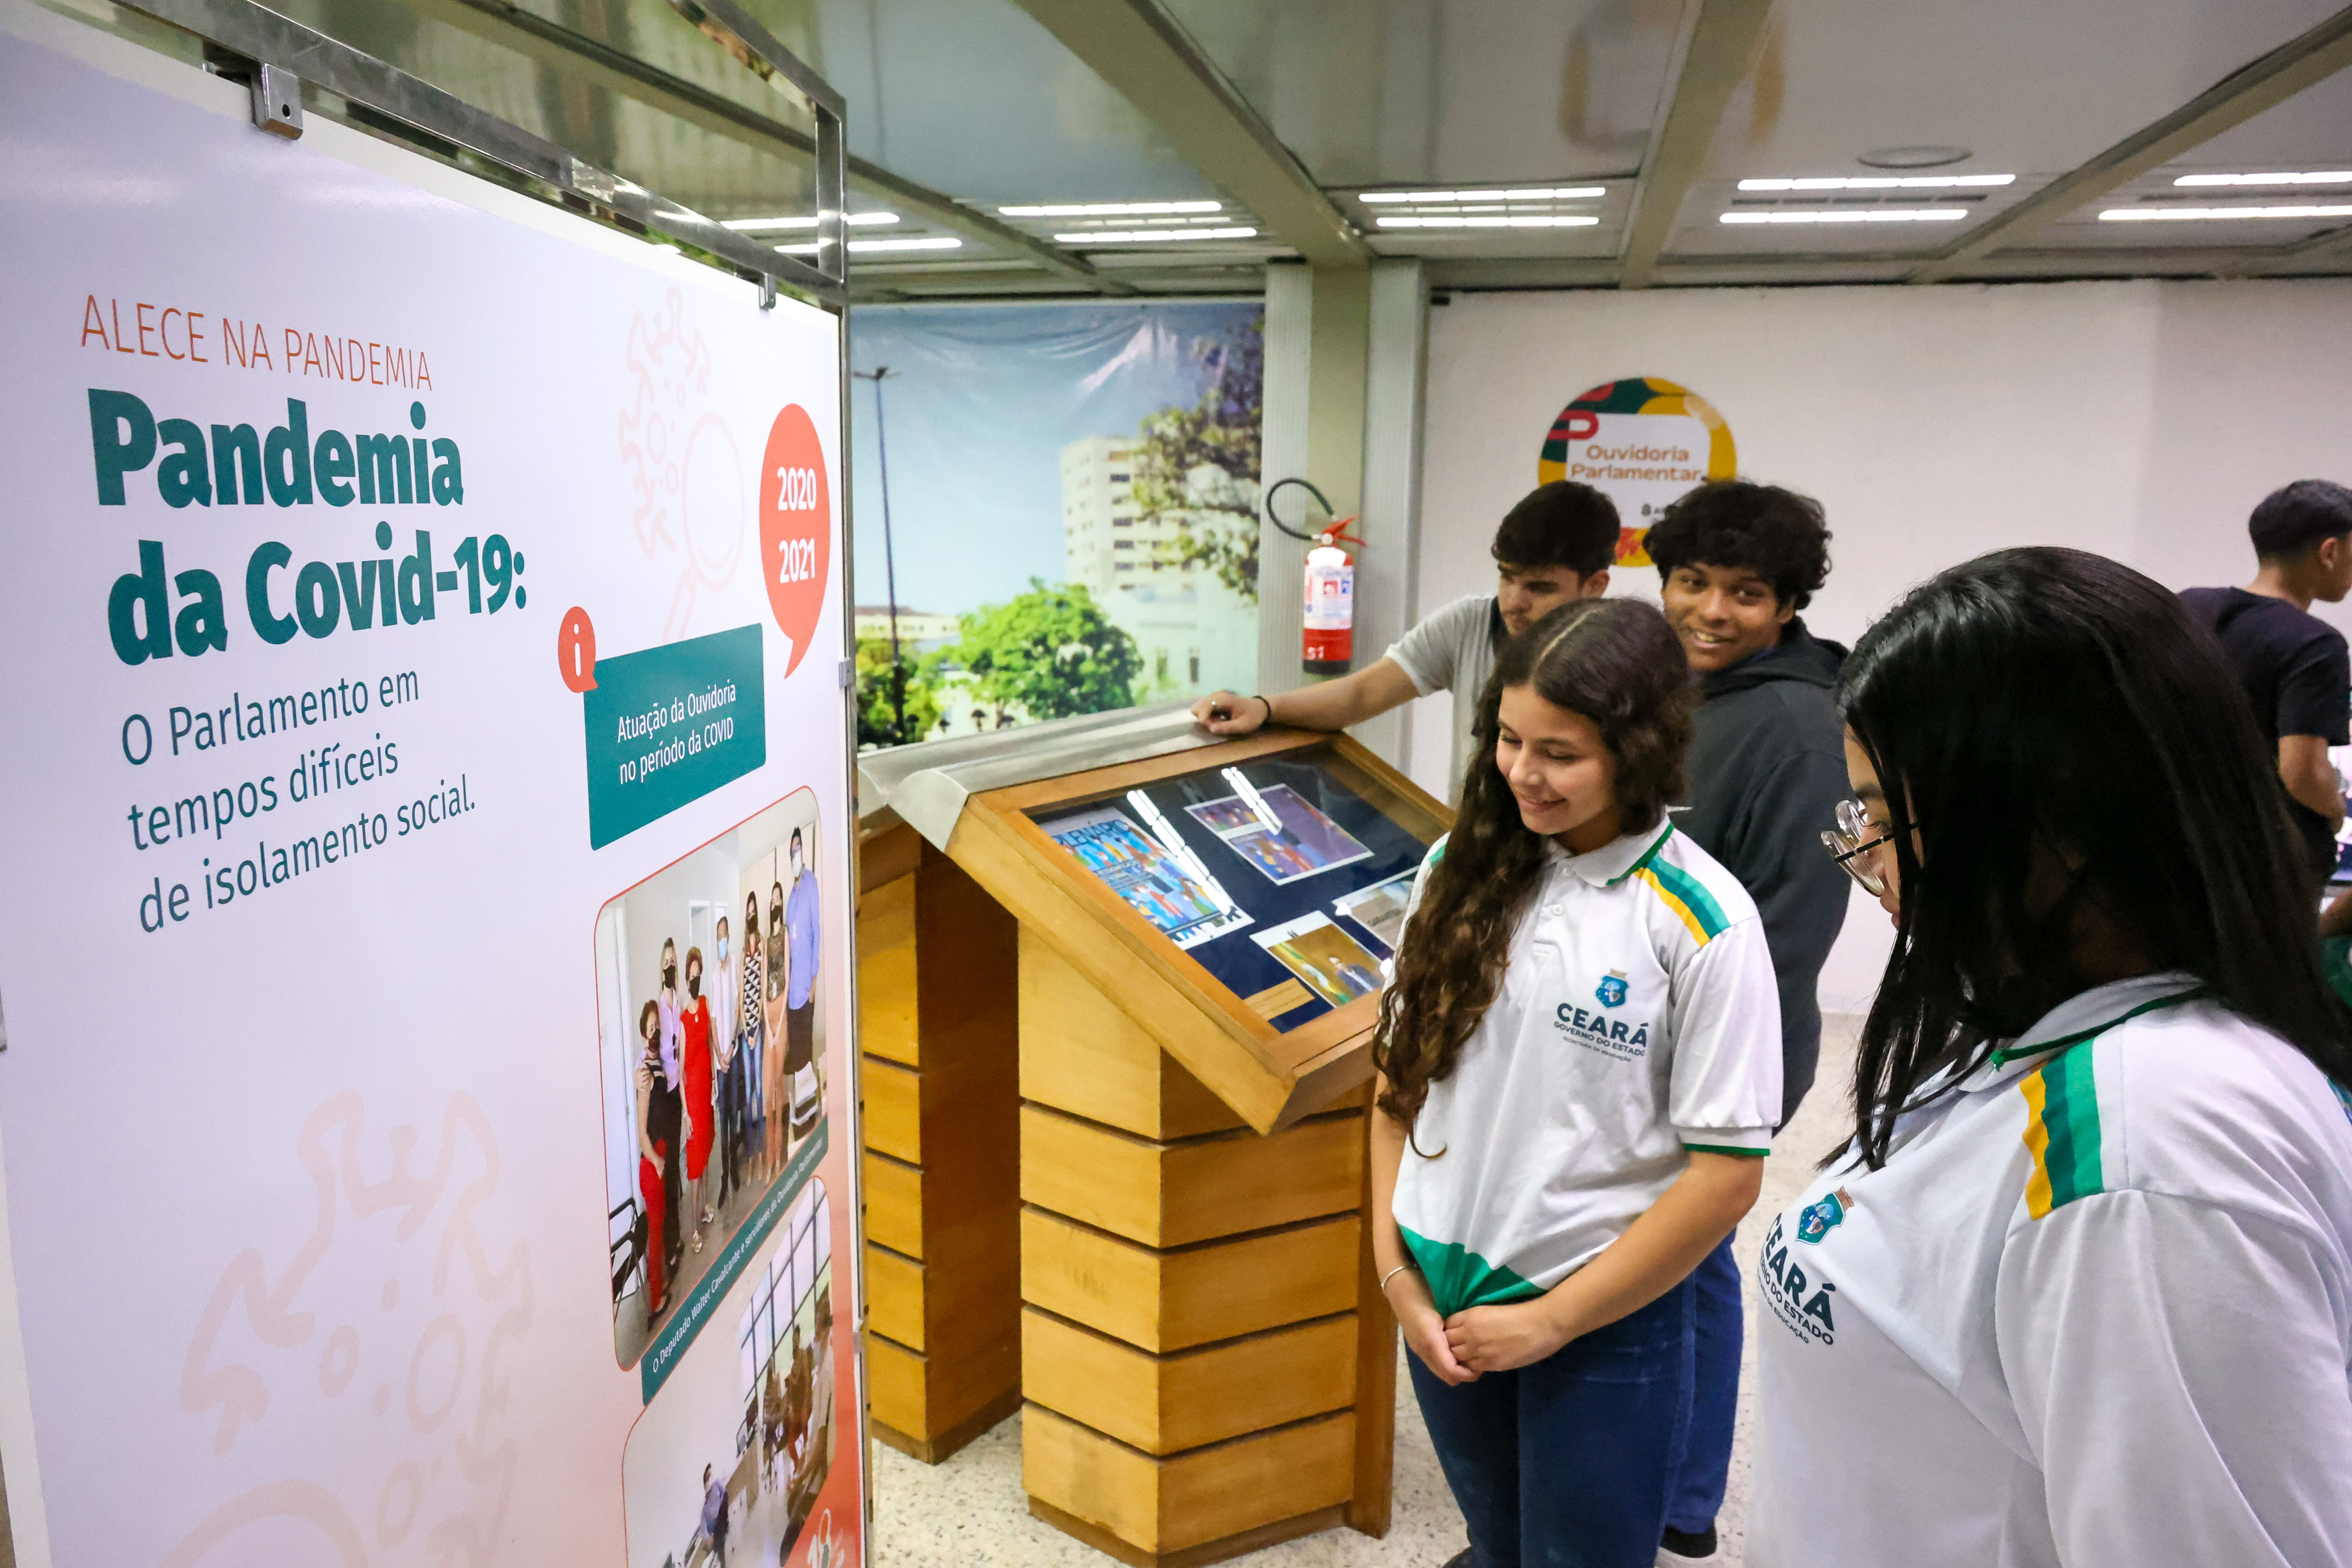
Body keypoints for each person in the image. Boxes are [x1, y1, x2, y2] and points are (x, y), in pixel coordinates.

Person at [1749, 548, 2352, 1567]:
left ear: (2060, 820)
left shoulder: (2147, 1160)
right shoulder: (2041, 1021)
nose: (1869, 859)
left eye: (1885, 817)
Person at [1370, 599, 1782, 1568]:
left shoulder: (1700, 919)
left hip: (1598, 1316)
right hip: (1439, 1292)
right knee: (1497, 1544)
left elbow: (1727, 1175)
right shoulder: (1456, 866)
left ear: (1638, 752)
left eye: (1560, 753)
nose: (1522, 772)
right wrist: (1395, 1276)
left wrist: (1549, 1322)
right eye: (1509, 739)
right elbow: (1396, 1088)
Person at [1641, 479, 1852, 1564]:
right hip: (1640, 1035)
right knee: (1678, 1264)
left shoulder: (1801, 729)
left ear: (1787, 604)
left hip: (1723, 1053)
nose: (1712, 611)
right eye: (1692, 581)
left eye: (1745, 592)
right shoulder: (1674, 690)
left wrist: (1664, 1050)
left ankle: (1677, 1498)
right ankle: (1673, 1493)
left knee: (1682, 1266)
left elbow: (1787, 934)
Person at [1190, 481, 1622, 800]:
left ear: (1594, 586)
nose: (1514, 602)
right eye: (1507, 578)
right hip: (1478, 852)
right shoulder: (1469, 622)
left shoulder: (1623, 661)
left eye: (1540, 588)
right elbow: (1361, 694)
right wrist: (1264, 708)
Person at [2181, 479, 2352, 885]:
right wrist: (2335, 810)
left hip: (2180, 835)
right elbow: (2301, 771)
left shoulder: (2188, 605)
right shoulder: (2317, 644)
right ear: (2330, 552)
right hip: (2263, 858)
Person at [631, 999, 675, 1321]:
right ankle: (656, 1301)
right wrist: (658, 1163)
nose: (656, 1032)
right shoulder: (645, 1074)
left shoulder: (658, 1065)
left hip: (661, 1159)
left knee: (659, 1229)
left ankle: (659, 1286)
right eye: (651, 1028)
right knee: (656, 1235)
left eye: (658, 1026)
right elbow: (641, 1134)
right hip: (652, 1165)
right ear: (643, 1034)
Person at [784, 828, 822, 1144]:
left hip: (806, 989)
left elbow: (817, 934)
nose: (795, 854)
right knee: (796, 1058)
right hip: (791, 994)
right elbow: (788, 943)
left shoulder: (811, 885)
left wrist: (814, 982)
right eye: (792, 850)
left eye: (799, 848)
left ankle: (811, 1118)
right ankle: (800, 1117)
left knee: (807, 1056)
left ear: (803, 852)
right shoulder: (791, 897)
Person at [656, 938, 688, 1282]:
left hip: (677, 1093)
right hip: (663, 1097)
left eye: (673, 961)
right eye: (666, 961)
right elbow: (653, 1050)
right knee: (666, 1175)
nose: (670, 966)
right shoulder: (659, 1007)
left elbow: (680, 1050)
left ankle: (675, 1240)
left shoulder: (678, 1001)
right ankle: (668, 1247)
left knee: (675, 1172)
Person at [681, 946, 714, 1253]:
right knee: (693, 1167)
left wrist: (714, 1081)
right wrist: (686, 1114)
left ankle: (704, 1209)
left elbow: (709, 1045)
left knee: (704, 1160)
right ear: (686, 978)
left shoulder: (704, 1005)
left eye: (698, 974)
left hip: (706, 1094)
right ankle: (693, 1229)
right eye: (692, 975)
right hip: (692, 1099)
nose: (696, 979)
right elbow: (680, 1073)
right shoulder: (682, 1020)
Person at [711, 916, 741, 1210]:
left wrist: (731, 1045)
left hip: (733, 1051)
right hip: (721, 1060)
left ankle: (734, 1168)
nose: (722, 940)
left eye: (725, 936)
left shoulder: (734, 967)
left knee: (734, 1113)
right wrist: (719, 1054)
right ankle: (724, 1177)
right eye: (718, 936)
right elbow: (713, 1021)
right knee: (723, 1118)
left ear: (729, 937)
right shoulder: (712, 974)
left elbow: (737, 1009)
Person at [740, 893, 766, 1180]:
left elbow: (760, 990)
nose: (751, 916)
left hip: (757, 1030)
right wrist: (745, 1030)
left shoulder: (761, 946)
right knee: (747, 1095)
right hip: (745, 1032)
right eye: (748, 913)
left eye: (753, 911)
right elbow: (741, 993)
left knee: (759, 1092)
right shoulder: (742, 951)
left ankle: (760, 1155)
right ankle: (750, 1157)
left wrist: (755, 1029)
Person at [764, 882, 788, 1176]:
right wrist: (768, 1026)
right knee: (767, 1092)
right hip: (767, 1015)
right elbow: (762, 987)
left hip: (781, 1015)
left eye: (778, 899)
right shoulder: (767, 939)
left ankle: (779, 1155)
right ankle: (769, 1156)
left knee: (780, 1088)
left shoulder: (785, 936)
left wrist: (779, 1024)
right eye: (773, 900)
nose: (775, 904)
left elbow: (788, 977)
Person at [699, 1462, 730, 1567]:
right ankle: (720, 1560)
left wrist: (721, 1507)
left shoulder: (717, 1484)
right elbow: (703, 1527)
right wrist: (708, 1538)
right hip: (714, 1527)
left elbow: (725, 1494)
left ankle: (722, 1562)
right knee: (718, 1543)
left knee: (720, 1542)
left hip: (721, 1518)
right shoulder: (704, 1509)